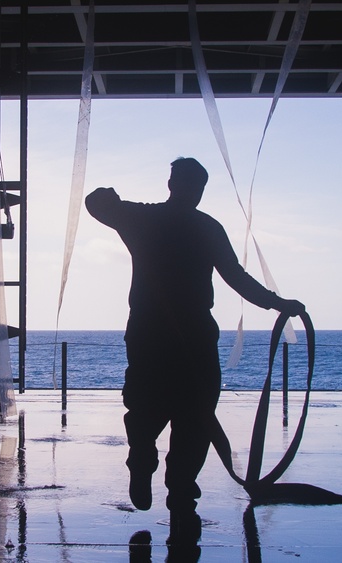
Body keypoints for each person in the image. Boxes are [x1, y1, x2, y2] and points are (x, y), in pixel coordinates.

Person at [85, 157, 304, 538]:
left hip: (148, 335)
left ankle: (143, 459)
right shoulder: (206, 227)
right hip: (196, 337)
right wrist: (277, 303)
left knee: (144, 408)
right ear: (198, 190)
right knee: (195, 418)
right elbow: (236, 277)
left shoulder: (142, 219)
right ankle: (181, 494)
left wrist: (112, 197)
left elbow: (94, 202)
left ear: (171, 183)